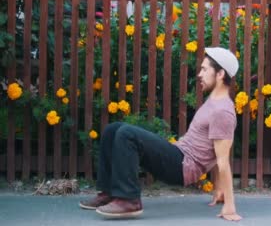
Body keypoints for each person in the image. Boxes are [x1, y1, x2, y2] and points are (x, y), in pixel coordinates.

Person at [79, 47, 242, 221]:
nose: (199, 74)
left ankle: (129, 200)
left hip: (183, 167)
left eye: (204, 69)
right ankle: (109, 192)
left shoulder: (222, 112)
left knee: (127, 134)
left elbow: (223, 159)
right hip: (179, 154)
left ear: (220, 74)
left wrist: (230, 206)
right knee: (113, 129)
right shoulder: (214, 101)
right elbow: (214, 151)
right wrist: (218, 188)